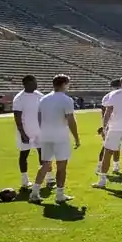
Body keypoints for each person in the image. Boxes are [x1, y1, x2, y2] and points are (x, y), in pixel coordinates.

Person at [31, 74, 80, 204]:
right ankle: (60, 194)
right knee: (61, 166)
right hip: (60, 136)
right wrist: (76, 138)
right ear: (64, 84)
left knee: (46, 164)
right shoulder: (66, 100)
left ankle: (35, 192)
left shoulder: (44, 99)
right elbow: (71, 120)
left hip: (46, 135)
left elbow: (39, 118)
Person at [12, 75, 43, 191]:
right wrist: (22, 133)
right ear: (27, 84)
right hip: (25, 131)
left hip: (39, 130)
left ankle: (48, 177)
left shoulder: (39, 95)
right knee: (24, 155)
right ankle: (25, 180)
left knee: (43, 154)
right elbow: (17, 117)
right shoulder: (19, 98)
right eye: (34, 82)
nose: (36, 84)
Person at [96, 78, 122, 179]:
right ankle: (99, 166)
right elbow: (104, 113)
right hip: (111, 125)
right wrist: (104, 127)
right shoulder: (108, 97)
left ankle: (116, 166)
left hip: (119, 124)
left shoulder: (120, 96)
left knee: (116, 146)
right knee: (106, 147)